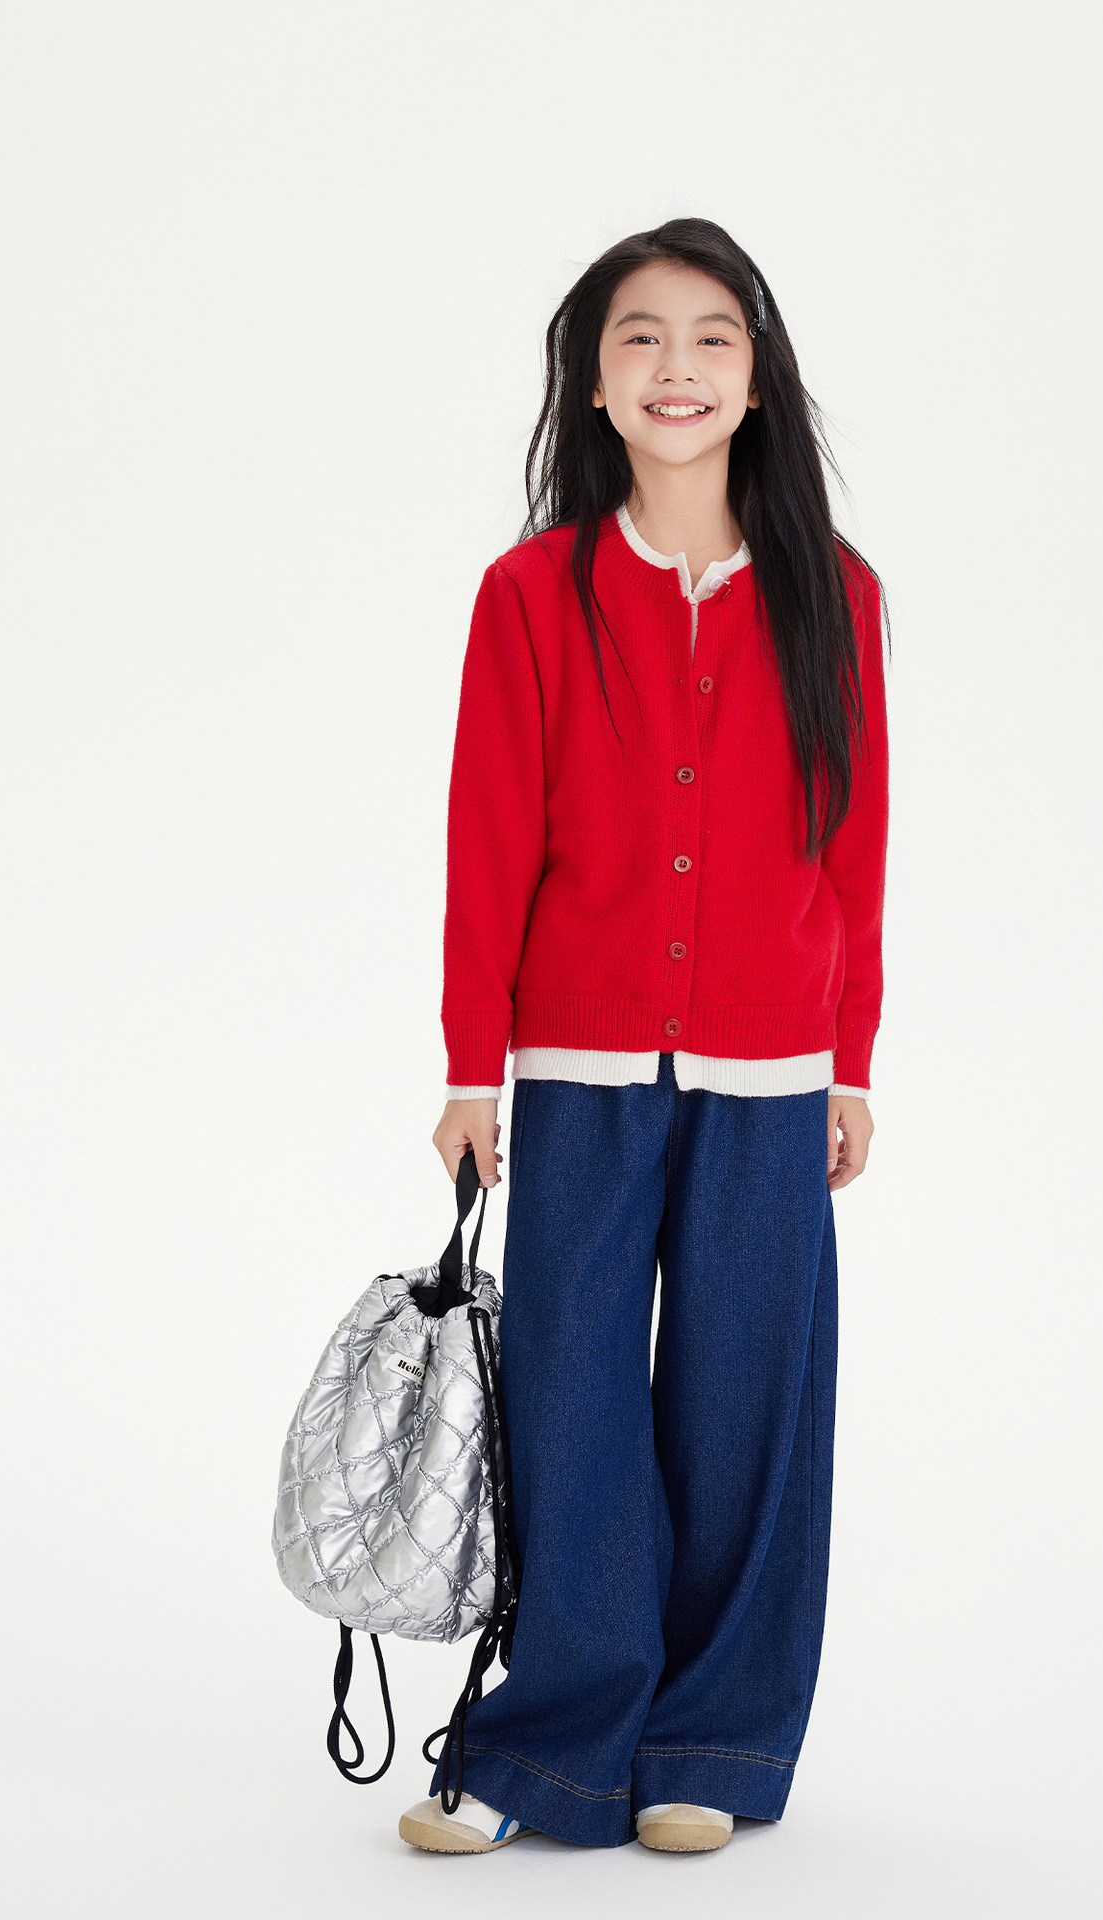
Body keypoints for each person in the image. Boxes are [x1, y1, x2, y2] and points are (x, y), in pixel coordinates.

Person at [398, 216, 890, 1856]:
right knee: (574, 1396)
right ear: (595, 385)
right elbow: (488, 841)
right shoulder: (532, 597)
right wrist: (470, 1063)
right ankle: (556, 1746)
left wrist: (852, 1059)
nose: (677, 368)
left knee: (748, 1403)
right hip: (581, 1063)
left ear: (757, 379)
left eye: (711, 339)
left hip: (771, 1069)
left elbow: (854, 842)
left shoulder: (836, 598)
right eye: (640, 339)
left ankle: (714, 1744)